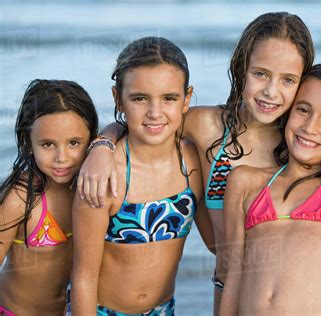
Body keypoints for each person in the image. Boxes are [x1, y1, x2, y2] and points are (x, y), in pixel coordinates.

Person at [77, 12, 321, 314]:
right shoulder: (205, 127)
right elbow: (150, 120)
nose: (271, 91)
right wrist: (102, 145)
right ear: (241, 68)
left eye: (287, 80)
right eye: (261, 74)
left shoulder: (303, 145)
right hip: (226, 285)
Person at [220, 64, 321, 315]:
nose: (310, 127)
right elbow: (232, 277)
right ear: (287, 112)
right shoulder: (243, 181)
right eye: (303, 110)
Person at [70, 36, 214, 315]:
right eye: (139, 98)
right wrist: (101, 145)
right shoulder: (103, 174)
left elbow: (217, 244)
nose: (155, 113)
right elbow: (83, 278)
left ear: (187, 99)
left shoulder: (192, 165)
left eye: (169, 98)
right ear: (118, 99)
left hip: (164, 310)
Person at [0, 79, 98, 314]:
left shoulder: (86, 187)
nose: (61, 157)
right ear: (28, 142)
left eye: (74, 143)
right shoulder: (21, 198)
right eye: (48, 144)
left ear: (92, 139)